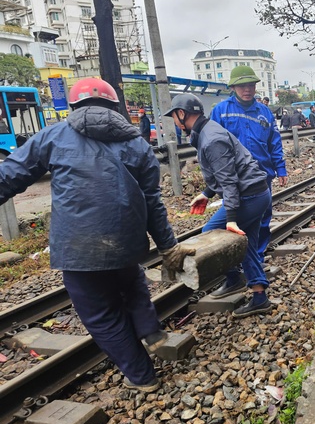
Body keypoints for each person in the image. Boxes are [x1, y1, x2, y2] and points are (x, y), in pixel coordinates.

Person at [0, 78, 195, 392]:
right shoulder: (137, 143)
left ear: (74, 106)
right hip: (128, 244)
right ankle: (149, 328)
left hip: (78, 247)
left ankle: (142, 376)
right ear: (115, 107)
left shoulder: (53, 136)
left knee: (101, 315)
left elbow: (9, 176)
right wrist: (167, 246)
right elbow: (152, 202)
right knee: (130, 281)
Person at [167, 94, 274, 318]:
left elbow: (229, 181)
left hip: (249, 197)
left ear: (182, 114)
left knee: (213, 233)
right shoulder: (206, 131)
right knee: (246, 245)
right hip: (256, 193)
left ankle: (234, 279)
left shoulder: (211, 138)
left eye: (174, 117)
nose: (175, 122)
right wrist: (206, 194)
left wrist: (231, 219)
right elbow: (226, 171)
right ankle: (259, 296)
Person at [206, 65, 288, 264]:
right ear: (233, 88)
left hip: (262, 175)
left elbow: (274, 142)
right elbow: (210, 143)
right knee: (232, 217)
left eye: (250, 85)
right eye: (242, 86)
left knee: (262, 219)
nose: (247, 90)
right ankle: (234, 259)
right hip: (233, 177)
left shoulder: (264, 112)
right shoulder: (221, 111)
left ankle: (256, 258)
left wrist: (281, 168)